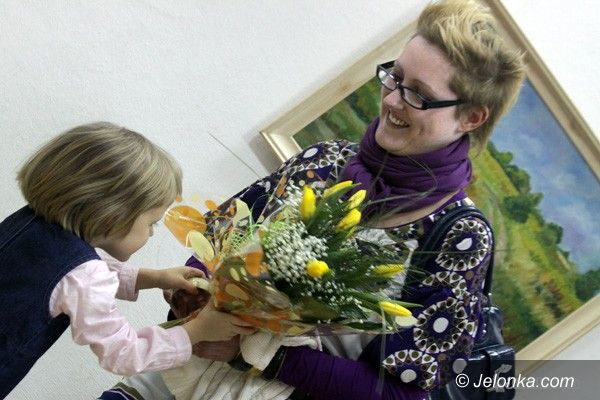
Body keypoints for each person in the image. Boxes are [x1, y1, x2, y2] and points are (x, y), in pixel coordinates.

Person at [99, 0, 525, 399]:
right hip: (166, 381)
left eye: (418, 93)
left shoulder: (460, 236)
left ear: (471, 118)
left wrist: (261, 354)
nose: (392, 100)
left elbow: (401, 392)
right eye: (394, 77)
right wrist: (194, 294)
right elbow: (214, 243)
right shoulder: (323, 159)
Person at [0, 122, 255, 399]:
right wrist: (197, 331)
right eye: (151, 223)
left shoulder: (29, 223)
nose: (151, 233)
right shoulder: (84, 274)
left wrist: (153, 278)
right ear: (114, 214)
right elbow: (124, 353)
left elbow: (71, 276)